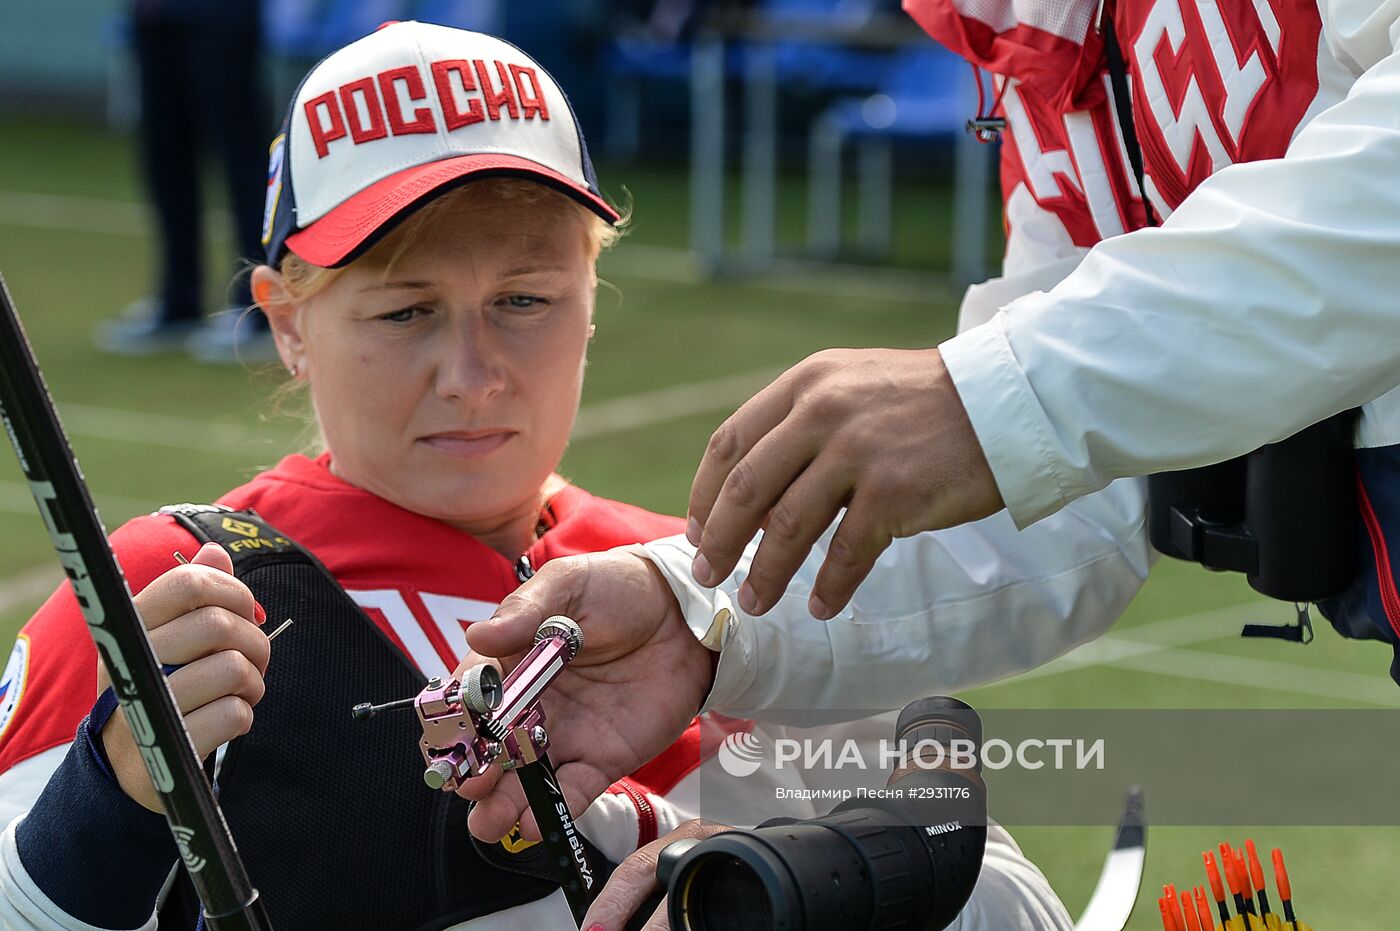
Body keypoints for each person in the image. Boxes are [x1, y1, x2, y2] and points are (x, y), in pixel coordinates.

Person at [0, 21, 1075, 931]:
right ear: (288, 323)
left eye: (524, 299)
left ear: (592, 298)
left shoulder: (712, 589)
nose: (472, 376)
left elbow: (1011, 901)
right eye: (404, 310)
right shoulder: (165, 595)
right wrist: (107, 802)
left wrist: (781, 876)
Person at [454, 0, 1400, 867]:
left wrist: (998, 394)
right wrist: (703, 617)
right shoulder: (1040, 33)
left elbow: (1034, 400)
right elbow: (1067, 483)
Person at [93, 0, 277, 363]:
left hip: (220, 15)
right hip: (155, 14)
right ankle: (179, 302)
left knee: (242, 156)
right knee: (165, 156)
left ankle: (258, 307)